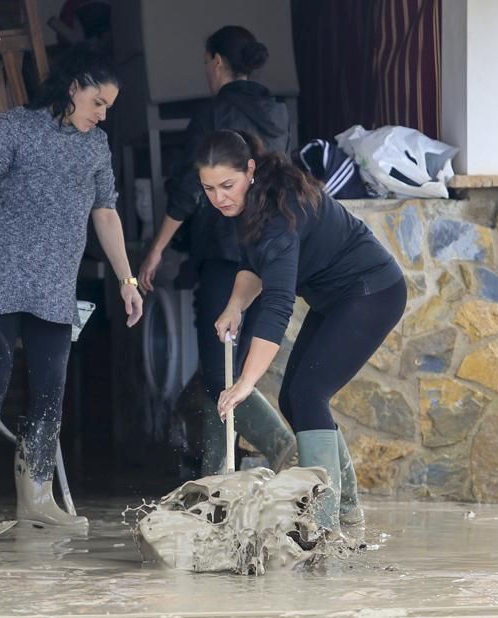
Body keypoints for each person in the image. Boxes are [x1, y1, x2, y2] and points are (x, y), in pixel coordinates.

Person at [0, 49, 143, 529]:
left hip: (55, 279)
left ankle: (36, 495)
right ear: (74, 88)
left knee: (51, 388)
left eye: (108, 108)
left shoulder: (96, 147)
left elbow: (106, 212)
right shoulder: (14, 126)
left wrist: (127, 280)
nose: (101, 114)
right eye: (97, 102)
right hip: (0, 270)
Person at [199, 130, 407, 533]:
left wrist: (245, 382)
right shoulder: (251, 204)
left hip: (373, 292)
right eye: (209, 188)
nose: (219, 197)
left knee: (309, 393)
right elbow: (253, 264)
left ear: (251, 170)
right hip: (336, 298)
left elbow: (278, 305)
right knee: (295, 400)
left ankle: (323, 524)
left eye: (227, 185)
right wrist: (235, 305)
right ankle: (346, 511)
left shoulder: (279, 213)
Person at [138, 25, 295, 476]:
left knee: (216, 370)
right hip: (264, 253)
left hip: (226, 256)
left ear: (216, 62)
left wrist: (156, 250)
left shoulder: (215, 114)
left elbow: (189, 191)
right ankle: (216, 474)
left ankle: (280, 448)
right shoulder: (276, 113)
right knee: (230, 367)